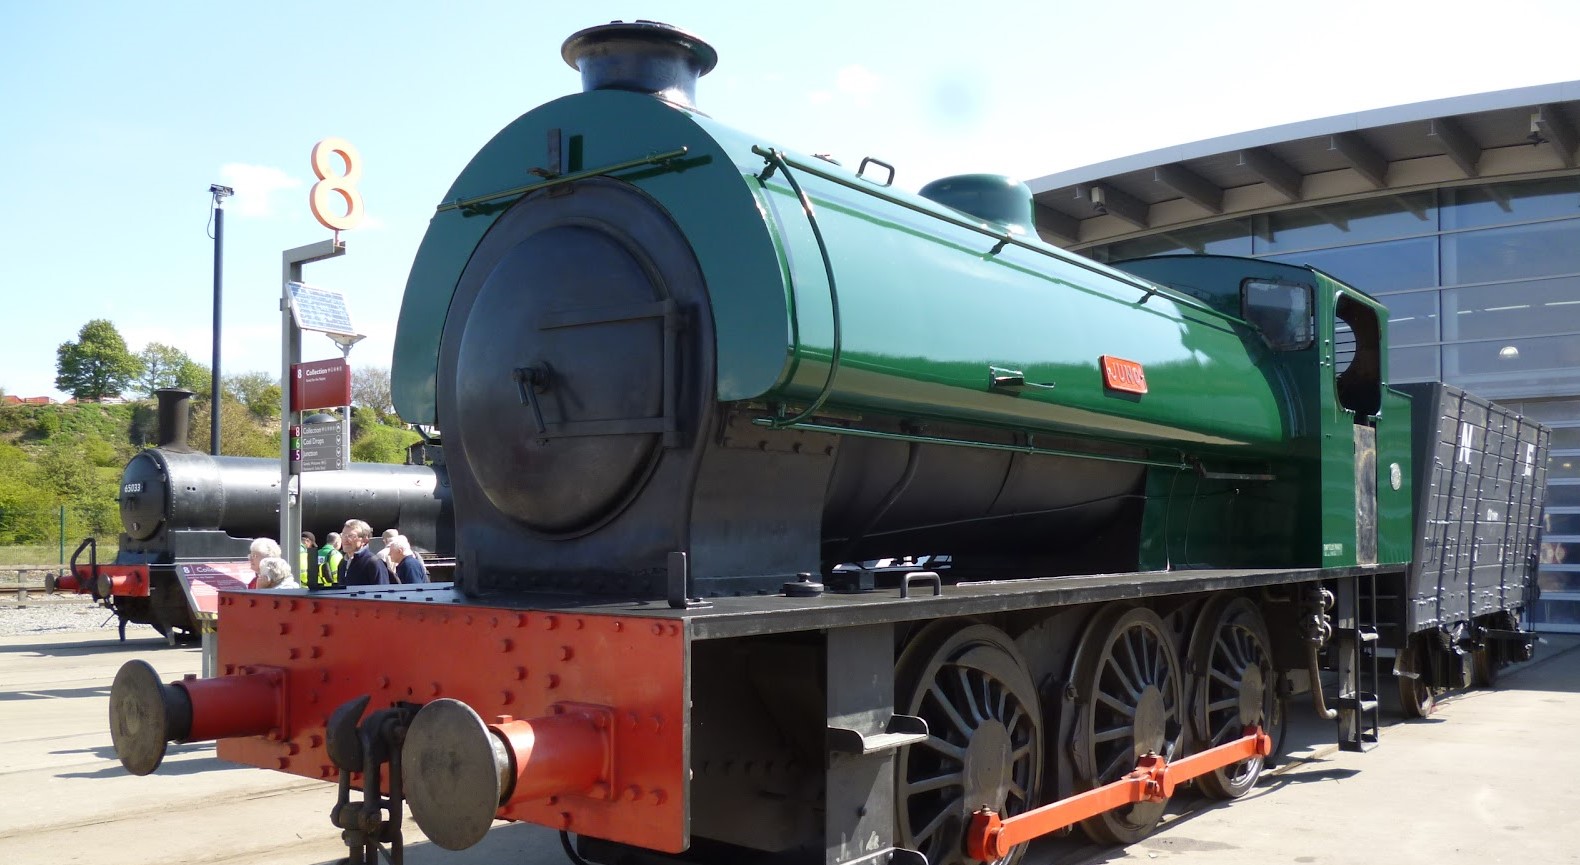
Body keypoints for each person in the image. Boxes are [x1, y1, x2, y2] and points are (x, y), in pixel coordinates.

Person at [340, 519, 392, 586]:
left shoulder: (374, 563)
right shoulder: (343, 563)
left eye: (351, 536)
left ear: (365, 539)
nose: (345, 539)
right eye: (343, 535)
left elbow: (383, 593)